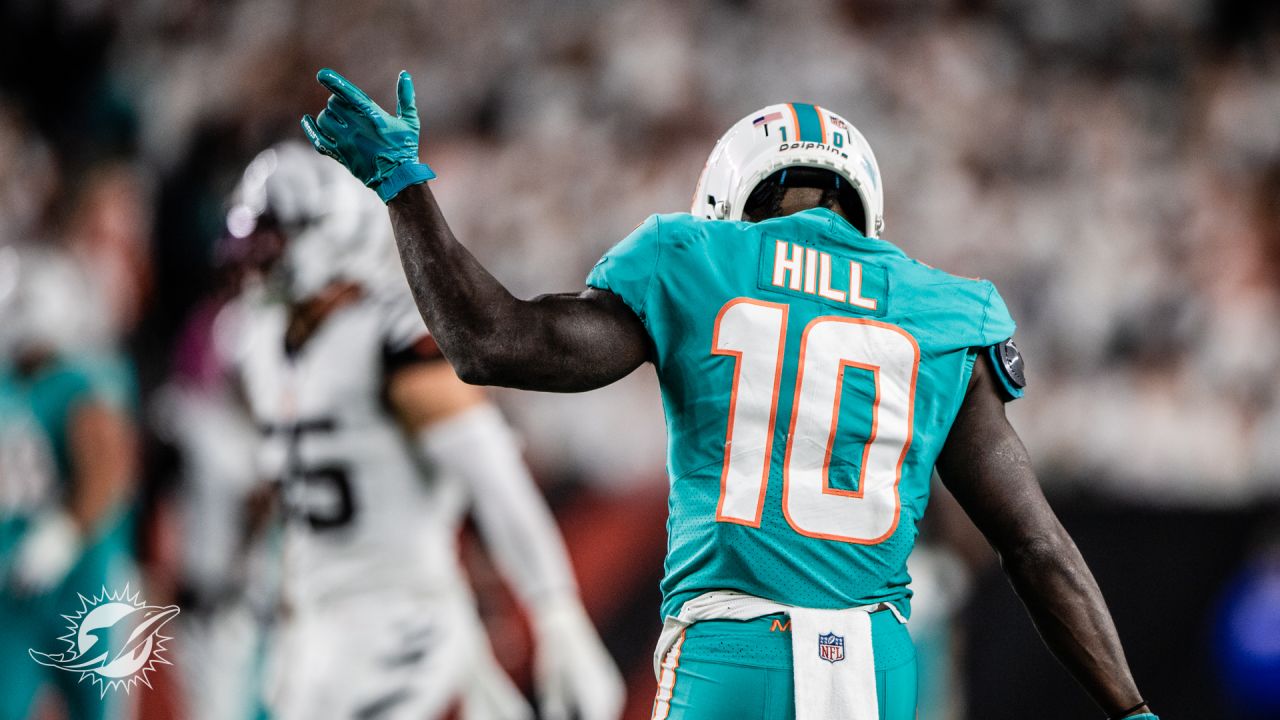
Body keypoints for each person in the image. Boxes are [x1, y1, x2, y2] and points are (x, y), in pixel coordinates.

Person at [300, 69, 1159, 720]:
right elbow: (1036, 546)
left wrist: (403, 189)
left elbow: (493, 345)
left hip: (733, 651)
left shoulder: (694, 260)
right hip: (879, 663)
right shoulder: (946, 308)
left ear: (729, 195)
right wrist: (1132, 708)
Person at [223, 142, 624, 720]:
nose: (255, 259)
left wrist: (556, 612)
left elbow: (491, 475)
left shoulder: (391, 335)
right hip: (312, 621)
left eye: (272, 239)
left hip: (399, 617)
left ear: (327, 233)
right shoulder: (258, 341)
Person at [0, 246, 138, 720]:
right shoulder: (7, 383)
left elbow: (110, 472)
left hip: (81, 579)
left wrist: (59, 539)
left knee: (93, 709)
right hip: (12, 578)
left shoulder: (79, 382)